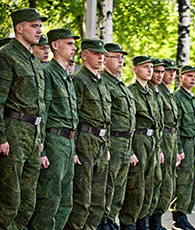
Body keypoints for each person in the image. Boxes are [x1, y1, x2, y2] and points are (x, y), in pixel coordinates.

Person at [28, 28, 80, 230]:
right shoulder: (48, 73)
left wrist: (73, 149)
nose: (74, 47)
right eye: (69, 43)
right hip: (53, 141)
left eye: (74, 44)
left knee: (65, 200)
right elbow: (44, 113)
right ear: (55, 46)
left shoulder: (67, 76)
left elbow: (72, 118)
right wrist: (43, 149)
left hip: (67, 144)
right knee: (49, 198)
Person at [0, 8, 47, 229]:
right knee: (10, 198)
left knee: (28, 201)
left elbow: (41, 106)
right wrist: (1, 137)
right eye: (34, 26)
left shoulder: (34, 61)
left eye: (40, 26)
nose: (39, 30)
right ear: (19, 28)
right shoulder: (6, 55)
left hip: (33, 134)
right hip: (14, 130)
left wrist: (40, 141)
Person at [65, 38, 111, 230]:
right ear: (84, 56)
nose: (101, 57)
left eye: (103, 55)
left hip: (101, 142)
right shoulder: (79, 81)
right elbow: (73, 115)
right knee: (82, 195)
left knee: (98, 197)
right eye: (96, 54)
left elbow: (107, 118)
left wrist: (106, 146)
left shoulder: (102, 83)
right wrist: (74, 147)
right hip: (85, 140)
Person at [97, 43, 136, 230]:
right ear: (105, 59)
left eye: (122, 57)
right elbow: (105, 118)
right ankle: (104, 221)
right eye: (116, 57)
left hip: (126, 143)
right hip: (112, 141)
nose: (121, 61)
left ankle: (111, 219)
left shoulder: (121, 84)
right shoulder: (103, 82)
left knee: (119, 188)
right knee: (108, 185)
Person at [119, 55, 160, 230]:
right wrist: (130, 151)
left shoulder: (152, 92)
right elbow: (129, 122)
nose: (150, 70)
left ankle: (143, 219)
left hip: (151, 141)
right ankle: (129, 222)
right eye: (145, 67)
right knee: (136, 184)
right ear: (135, 69)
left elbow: (158, 122)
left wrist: (158, 148)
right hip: (138, 140)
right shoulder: (131, 91)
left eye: (151, 67)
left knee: (151, 183)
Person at [149, 58, 181, 230]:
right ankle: (152, 221)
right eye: (165, 71)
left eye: (173, 71)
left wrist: (177, 148)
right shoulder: (157, 91)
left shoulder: (168, 92)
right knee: (158, 183)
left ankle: (157, 220)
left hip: (171, 140)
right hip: (161, 139)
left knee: (168, 184)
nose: (169, 75)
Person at [170, 65, 195, 230]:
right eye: (189, 76)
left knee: (192, 181)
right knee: (183, 180)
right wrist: (179, 149)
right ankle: (178, 217)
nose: (193, 79)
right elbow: (176, 126)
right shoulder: (177, 98)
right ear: (181, 77)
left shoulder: (194, 98)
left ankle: (185, 215)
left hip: (194, 143)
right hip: (184, 142)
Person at [147, 58, 166, 230]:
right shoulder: (137, 90)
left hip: (155, 142)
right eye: (155, 70)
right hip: (141, 141)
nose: (159, 75)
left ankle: (152, 221)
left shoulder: (156, 92)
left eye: (161, 71)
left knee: (157, 182)